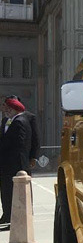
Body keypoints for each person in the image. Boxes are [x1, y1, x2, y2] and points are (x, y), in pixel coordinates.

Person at [0, 96, 34, 229]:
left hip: (14, 165)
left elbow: (19, 145)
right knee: (7, 193)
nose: (5, 110)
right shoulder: (13, 120)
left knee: (13, 194)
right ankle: (8, 217)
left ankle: (13, 220)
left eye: (8, 108)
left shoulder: (19, 122)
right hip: (9, 164)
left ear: (13, 108)